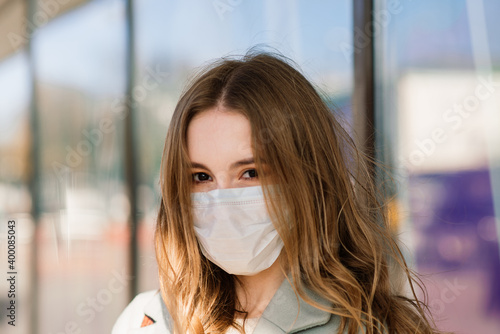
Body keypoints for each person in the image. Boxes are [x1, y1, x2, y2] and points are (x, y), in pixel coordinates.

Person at [112, 51, 445, 334]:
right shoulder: (145, 320)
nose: (222, 199)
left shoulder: (367, 326)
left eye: (251, 173)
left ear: (307, 178)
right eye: (201, 176)